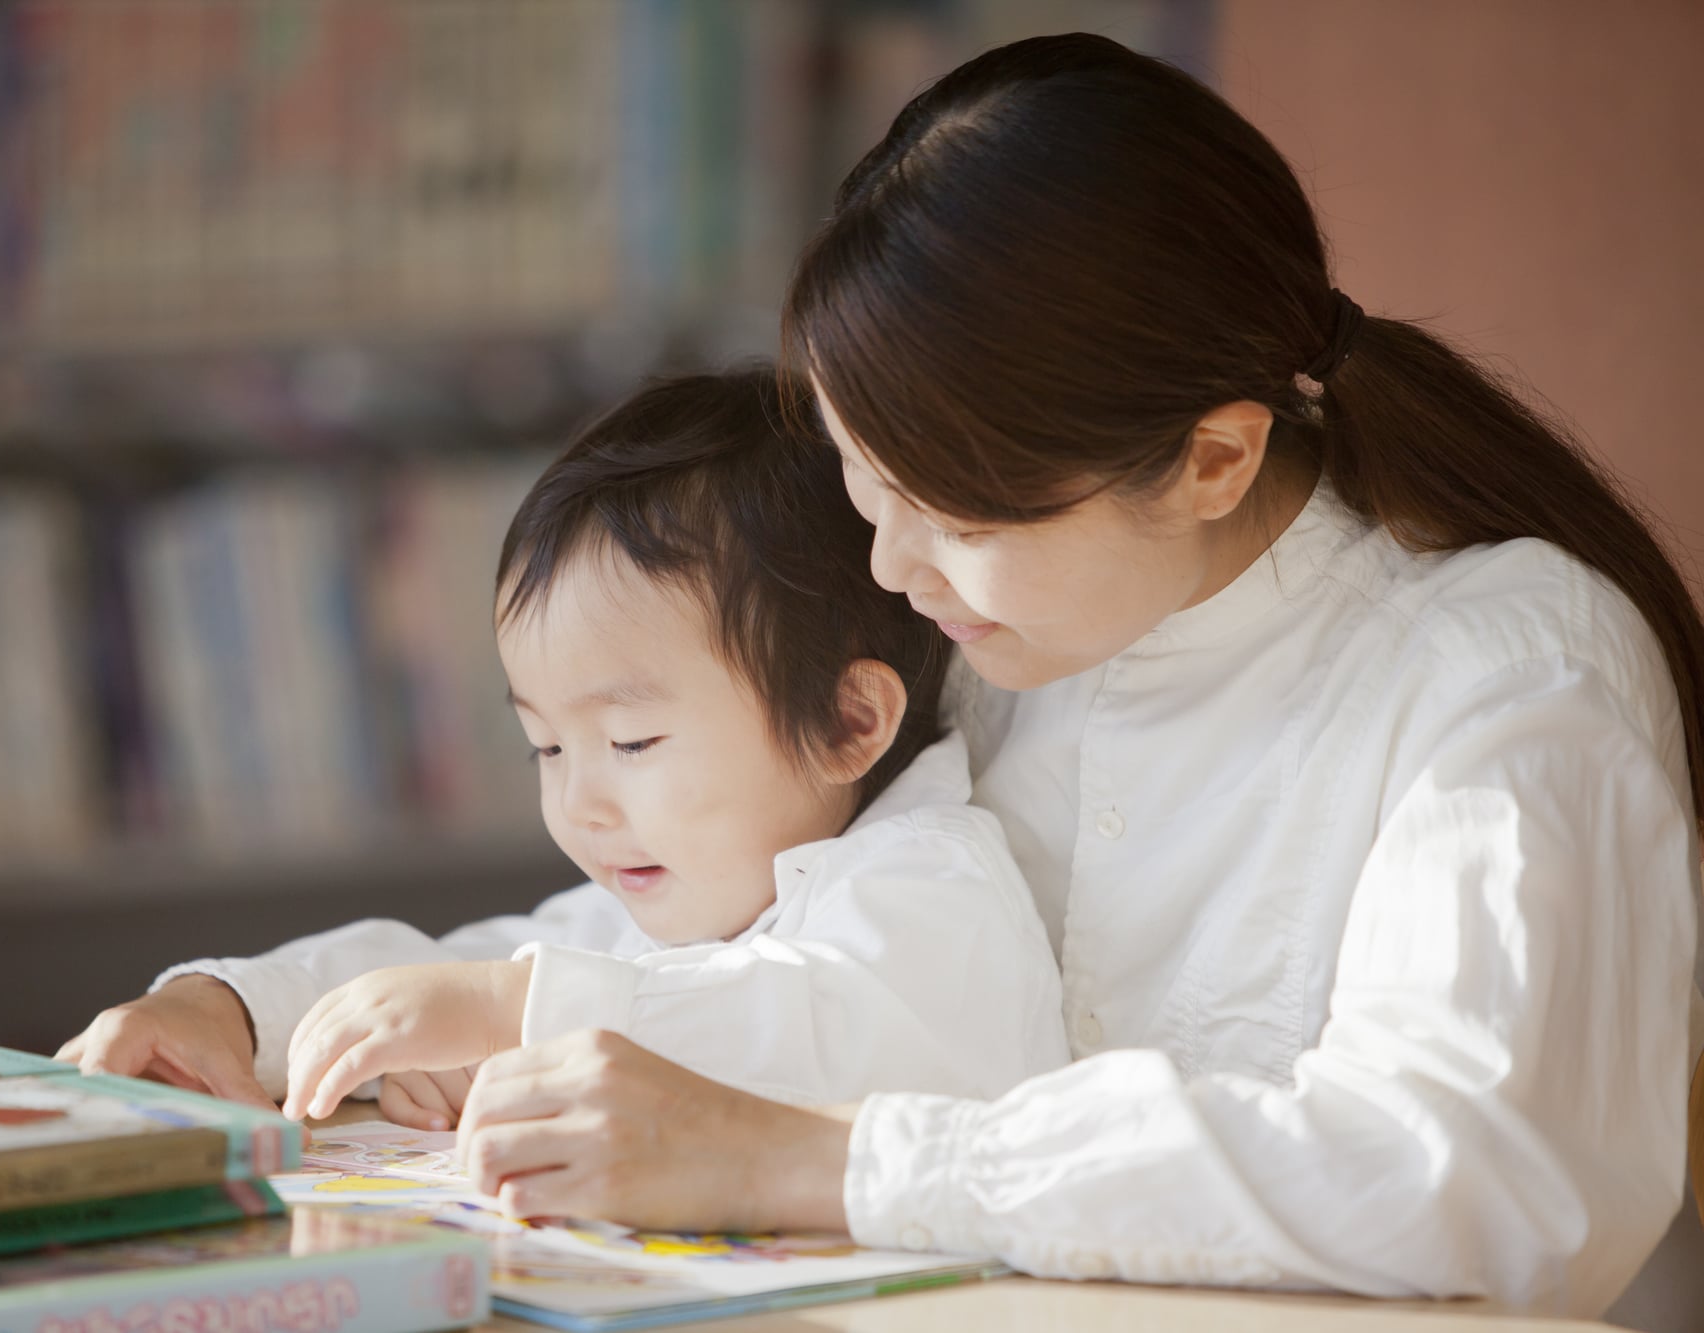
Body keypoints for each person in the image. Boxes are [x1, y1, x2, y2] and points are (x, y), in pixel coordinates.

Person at [432, 33, 1704, 1320]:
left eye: (962, 523)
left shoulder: (1502, 668)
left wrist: (820, 1158)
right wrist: (263, 1010)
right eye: (870, 491)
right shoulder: (985, 645)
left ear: (1213, 458)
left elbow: (1456, 1176)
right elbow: (698, 912)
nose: (891, 567)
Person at [60, 369, 1071, 1131]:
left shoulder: (933, 881)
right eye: (545, 745)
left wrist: (514, 1013)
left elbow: (825, 1031)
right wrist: (227, 1012)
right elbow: (449, 966)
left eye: (630, 739)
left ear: (848, 722)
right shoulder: (677, 897)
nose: (580, 803)